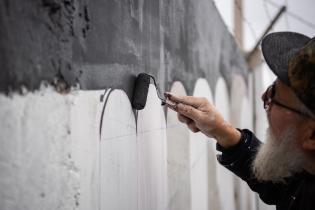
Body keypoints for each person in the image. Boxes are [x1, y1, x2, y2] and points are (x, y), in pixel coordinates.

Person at [165, 32, 315, 210]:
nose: (263, 97)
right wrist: (222, 131)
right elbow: (283, 185)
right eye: (270, 87)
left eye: (273, 96)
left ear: (312, 136)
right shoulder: (307, 175)